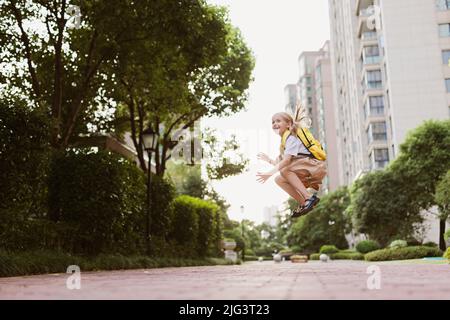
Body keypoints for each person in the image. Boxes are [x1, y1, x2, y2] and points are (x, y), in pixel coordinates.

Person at [256, 107, 327, 218]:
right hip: (305, 167)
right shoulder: (285, 142)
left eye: (278, 121)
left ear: (288, 124)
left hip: (313, 166)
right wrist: (269, 160)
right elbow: (280, 163)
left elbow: (286, 162)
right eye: (273, 122)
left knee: (284, 169)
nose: (274, 124)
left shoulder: (291, 138)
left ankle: (308, 197)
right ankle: (304, 203)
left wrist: (268, 174)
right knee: (278, 179)